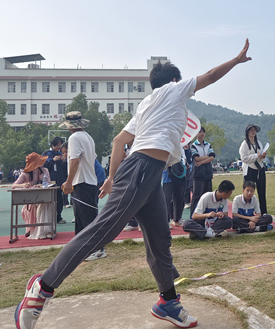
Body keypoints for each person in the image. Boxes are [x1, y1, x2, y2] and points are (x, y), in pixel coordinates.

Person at [15, 39, 252, 329]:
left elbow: (118, 142)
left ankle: (168, 301)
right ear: (175, 80)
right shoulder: (173, 90)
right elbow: (212, 76)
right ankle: (42, 287)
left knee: (159, 240)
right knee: (103, 230)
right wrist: (236, 60)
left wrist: (113, 177)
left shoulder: (146, 104)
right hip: (142, 168)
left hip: (147, 173)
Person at [59, 111, 105, 262]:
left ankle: (96, 249)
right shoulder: (87, 137)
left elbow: (74, 161)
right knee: (82, 217)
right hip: (89, 181)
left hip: (82, 182)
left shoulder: (74, 138)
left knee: (86, 218)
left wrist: (69, 181)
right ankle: (81, 248)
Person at [12, 152, 54, 239]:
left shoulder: (45, 170)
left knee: (49, 203)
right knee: (42, 205)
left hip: (44, 196)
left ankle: (48, 229)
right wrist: (23, 185)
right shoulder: (25, 174)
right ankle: (42, 231)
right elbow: (14, 186)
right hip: (31, 201)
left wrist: (41, 185)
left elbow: (49, 183)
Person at [239, 124, 268, 214]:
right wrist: (256, 156)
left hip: (260, 168)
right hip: (250, 169)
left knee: (262, 191)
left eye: (254, 130)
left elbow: (262, 156)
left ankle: (263, 212)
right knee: (249, 191)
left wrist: (263, 156)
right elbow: (244, 158)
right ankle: (247, 211)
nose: (253, 132)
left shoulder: (258, 143)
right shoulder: (244, 144)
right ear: (247, 132)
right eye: (251, 130)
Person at [189, 127, 215, 217]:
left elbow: (212, 157)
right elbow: (196, 158)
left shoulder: (208, 144)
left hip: (207, 172)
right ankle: (193, 216)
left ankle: (206, 216)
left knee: (208, 195)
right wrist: (207, 156)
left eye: (203, 132)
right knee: (197, 195)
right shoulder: (193, 145)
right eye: (200, 132)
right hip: (198, 173)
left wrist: (201, 162)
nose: (202, 133)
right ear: (196, 133)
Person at [42, 137, 67, 224]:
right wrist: (53, 160)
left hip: (59, 181)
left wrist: (64, 161)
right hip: (49, 181)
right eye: (58, 146)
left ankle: (58, 217)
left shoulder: (62, 154)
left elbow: (65, 169)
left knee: (59, 200)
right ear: (53, 145)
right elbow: (43, 165)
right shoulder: (46, 153)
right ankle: (48, 218)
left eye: (60, 146)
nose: (59, 148)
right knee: (48, 200)